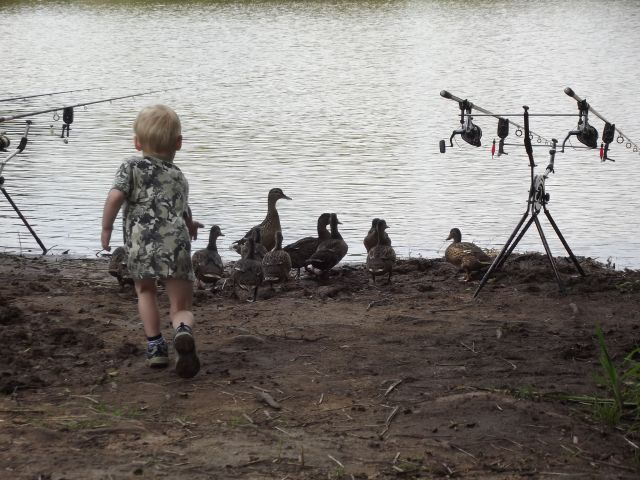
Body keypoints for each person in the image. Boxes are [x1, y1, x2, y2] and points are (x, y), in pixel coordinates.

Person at [101, 104, 203, 378]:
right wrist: (190, 226)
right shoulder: (179, 175)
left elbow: (115, 197)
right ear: (178, 144)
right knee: (181, 307)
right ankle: (182, 330)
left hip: (141, 244)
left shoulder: (130, 166)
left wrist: (106, 227)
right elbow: (181, 210)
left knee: (145, 291)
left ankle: (156, 346)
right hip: (176, 245)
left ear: (137, 142)